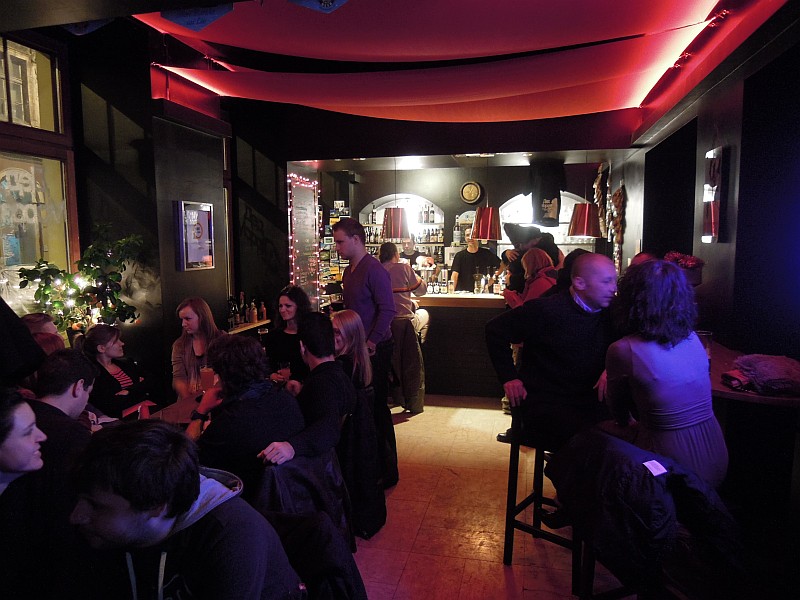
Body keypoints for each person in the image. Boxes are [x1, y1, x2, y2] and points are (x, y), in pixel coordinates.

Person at [69, 420, 305, 600]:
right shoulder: (100, 531)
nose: (75, 516)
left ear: (156, 507)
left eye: (96, 506)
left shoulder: (233, 537)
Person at [603, 259, 728, 488]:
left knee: (591, 436)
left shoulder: (623, 349)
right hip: (717, 455)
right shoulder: (693, 338)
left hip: (670, 469)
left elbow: (620, 415)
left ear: (632, 300)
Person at [486, 253, 619, 452]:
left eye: (614, 281)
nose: (613, 288)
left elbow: (629, 341)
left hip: (588, 400)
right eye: (606, 281)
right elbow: (494, 330)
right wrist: (509, 377)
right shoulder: (546, 309)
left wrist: (612, 367)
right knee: (595, 442)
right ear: (579, 283)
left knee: (625, 433)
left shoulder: (613, 312)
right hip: (548, 401)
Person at [186, 335, 305, 499]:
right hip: (297, 496)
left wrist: (201, 411)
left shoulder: (229, 424)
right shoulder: (286, 399)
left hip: (247, 500)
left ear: (222, 376)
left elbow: (187, 460)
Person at [333, 217, 398, 487]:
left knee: (378, 408)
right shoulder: (349, 271)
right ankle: (369, 468)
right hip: (358, 348)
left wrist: (371, 342)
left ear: (356, 239)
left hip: (376, 348)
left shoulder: (374, 269)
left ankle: (388, 470)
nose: (337, 247)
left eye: (340, 242)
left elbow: (389, 310)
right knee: (363, 408)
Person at [259, 312, 356, 466]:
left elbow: (328, 428)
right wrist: (302, 392)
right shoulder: (340, 374)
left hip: (320, 468)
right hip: (340, 464)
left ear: (302, 347)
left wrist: (291, 447)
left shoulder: (322, 384)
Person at [331, 309, 387, 539]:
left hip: (347, 438)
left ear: (350, 335)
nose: (332, 337)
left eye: (337, 332)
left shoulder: (342, 366)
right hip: (362, 436)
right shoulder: (361, 361)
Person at [380, 242, 427, 413]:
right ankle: (419, 339)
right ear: (396, 254)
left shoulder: (376, 269)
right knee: (425, 315)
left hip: (385, 325)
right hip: (404, 322)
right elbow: (422, 290)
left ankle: (395, 396)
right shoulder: (404, 267)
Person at [73, 323, 150, 418]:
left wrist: (128, 391)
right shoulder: (93, 375)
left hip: (146, 410)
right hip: (124, 421)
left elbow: (150, 382)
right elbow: (111, 406)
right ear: (101, 348)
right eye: (116, 341)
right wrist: (139, 387)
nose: (122, 343)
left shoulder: (126, 363)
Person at [172, 297, 226, 404]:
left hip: (218, 399)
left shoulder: (223, 340)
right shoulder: (179, 345)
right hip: (189, 401)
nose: (183, 324)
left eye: (187, 319)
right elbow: (179, 379)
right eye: (182, 319)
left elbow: (231, 373)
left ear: (202, 317)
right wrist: (191, 402)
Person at [264, 285, 312, 386]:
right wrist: (272, 375)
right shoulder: (273, 336)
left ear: (299, 307)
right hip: (280, 388)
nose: (282, 310)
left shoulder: (309, 334)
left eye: (288, 306)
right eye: (280, 306)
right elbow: (267, 365)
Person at [450, 227, 501, 292]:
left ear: (478, 237)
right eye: (467, 235)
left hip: (483, 294)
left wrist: (493, 279)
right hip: (464, 294)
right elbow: (454, 276)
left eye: (473, 235)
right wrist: (451, 293)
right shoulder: (459, 256)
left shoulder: (487, 254)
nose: (470, 237)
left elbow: (502, 265)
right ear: (465, 238)